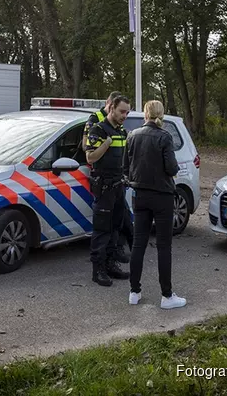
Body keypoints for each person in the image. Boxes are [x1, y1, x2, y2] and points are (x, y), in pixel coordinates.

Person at [124, 100, 186, 309]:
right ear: (162, 115)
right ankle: (167, 295)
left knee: (138, 244)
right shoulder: (164, 137)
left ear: (145, 114)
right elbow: (171, 168)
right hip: (162, 196)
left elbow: (126, 167)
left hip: (139, 195)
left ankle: (134, 291)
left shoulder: (132, 136)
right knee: (163, 246)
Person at [85, 95, 131, 286]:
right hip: (104, 187)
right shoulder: (98, 130)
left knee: (115, 229)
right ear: (111, 108)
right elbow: (90, 157)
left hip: (118, 186)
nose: (125, 115)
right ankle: (98, 270)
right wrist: (106, 144)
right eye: (122, 111)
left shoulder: (121, 131)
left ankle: (111, 264)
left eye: (127, 112)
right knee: (102, 230)